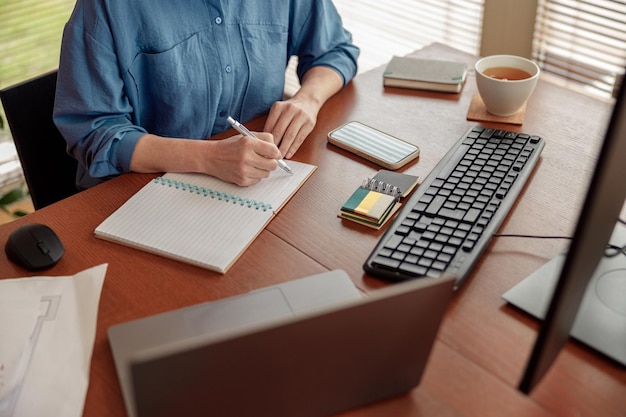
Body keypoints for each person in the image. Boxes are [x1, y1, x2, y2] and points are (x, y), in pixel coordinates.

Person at [53, 0, 359, 190]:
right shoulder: (107, 7)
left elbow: (334, 50)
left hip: (258, 185)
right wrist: (210, 157)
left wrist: (308, 99)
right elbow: (96, 134)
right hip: (143, 191)